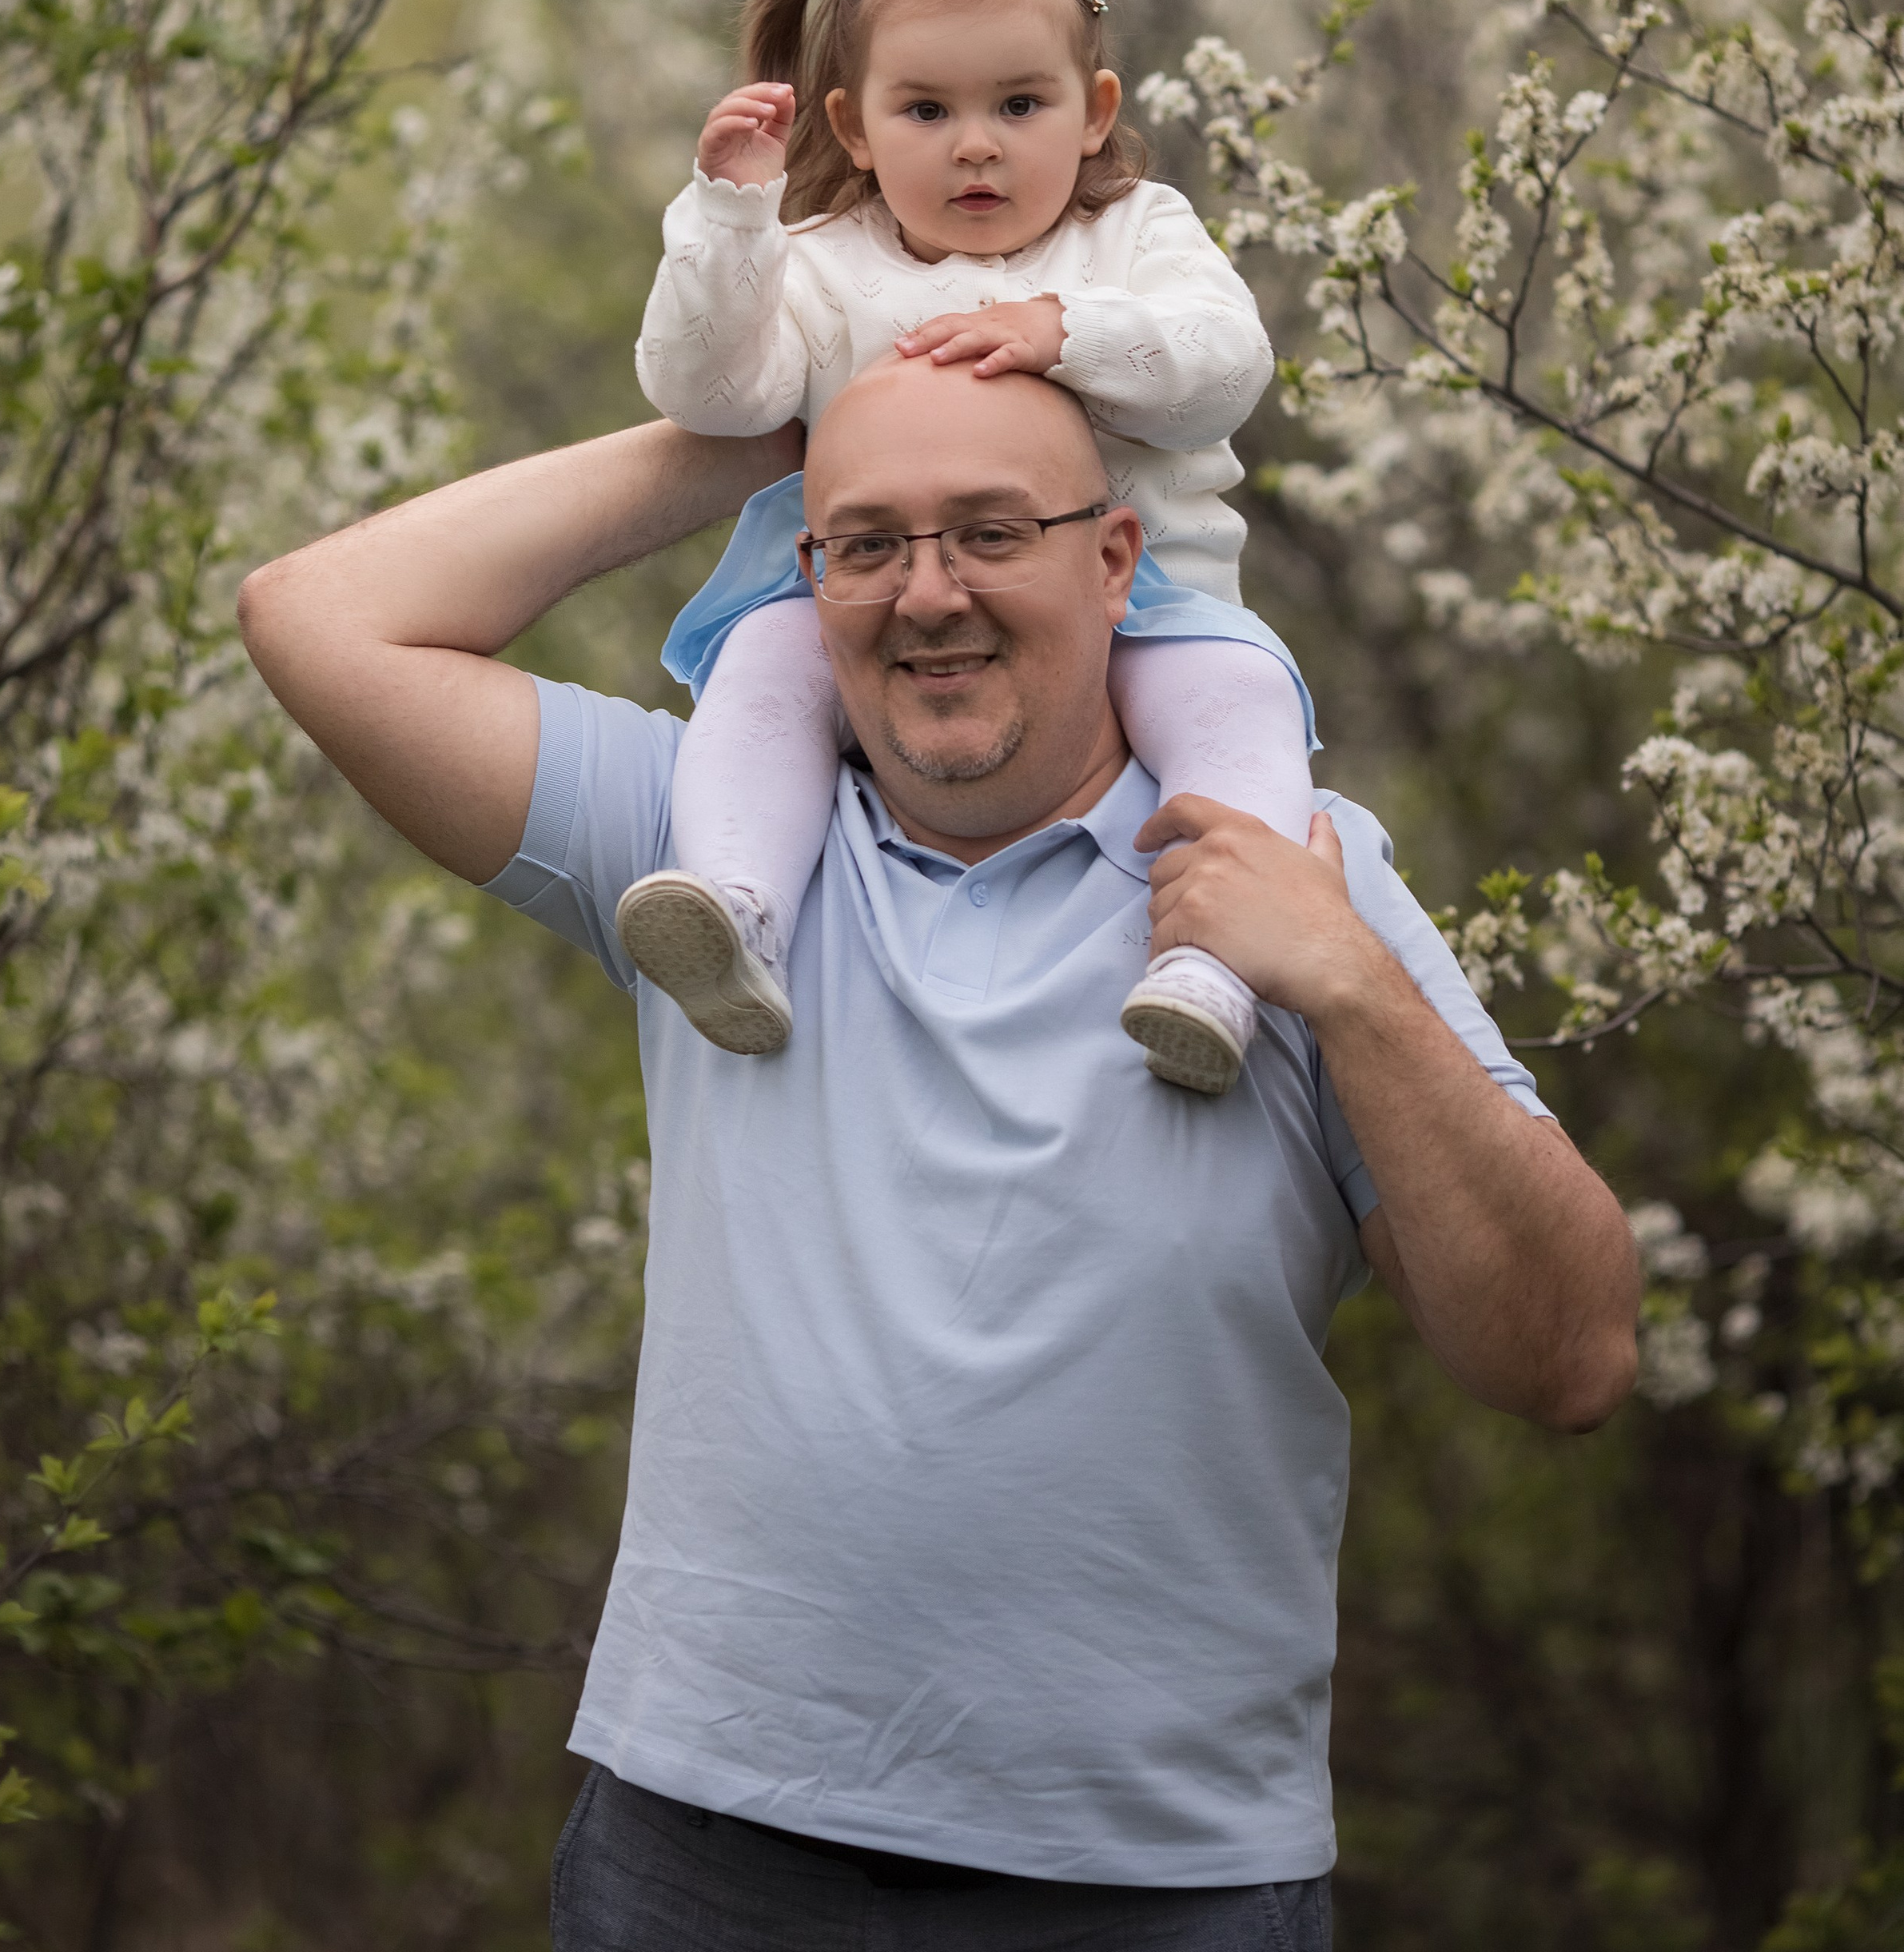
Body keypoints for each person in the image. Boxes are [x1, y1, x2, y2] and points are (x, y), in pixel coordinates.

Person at [237, 351, 1639, 1950]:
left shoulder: (1291, 879)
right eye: (866, 544)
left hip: (1156, 1886)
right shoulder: (709, 859)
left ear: (1113, 560)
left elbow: (1571, 1353)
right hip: (706, 1858)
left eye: (989, 531)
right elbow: (314, 614)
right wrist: (752, 425)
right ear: (804, 572)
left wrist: (1343, 986)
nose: (927, 597)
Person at [629, 0, 1312, 1097]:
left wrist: (1066, 331)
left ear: (1094, 114)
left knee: (1243, 697)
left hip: (1148, 599)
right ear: (852, 125)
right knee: (762, 679)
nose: (977, 145)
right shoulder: (827, 268)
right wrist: (733, 218)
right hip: (870, 594)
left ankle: (1215, 962)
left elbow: (1226, 367)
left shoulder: (1135, 238)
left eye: (1019, 105)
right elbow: (713, 394)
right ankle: (738, 906)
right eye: (927, 111)